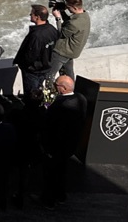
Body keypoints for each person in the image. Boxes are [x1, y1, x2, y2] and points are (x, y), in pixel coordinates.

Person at [41, 75, 87, 209]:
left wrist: (48, 148)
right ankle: (61, 196)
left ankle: (49, 200)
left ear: (64, 88)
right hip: (70, 145)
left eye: (57, 85)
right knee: (61, 173)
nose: (55, 87)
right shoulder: (81, 99)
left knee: (51, 175)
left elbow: (51, 127)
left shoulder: (60, 106)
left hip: (56, 147)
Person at [14, 4, 59, 95]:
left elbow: (31, 55)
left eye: (31, 14)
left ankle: (32, 108)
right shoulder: (52, 29)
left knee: (32, 94)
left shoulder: (36, 35)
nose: (30, 15)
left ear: (37, 17)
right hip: (45, 67)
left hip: (33, 70)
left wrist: (24, 64)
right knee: (39, 91)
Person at [49, 0, 91, 80]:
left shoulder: (74, 23)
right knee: (68, 76)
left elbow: (62, 33)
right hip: (71, 52)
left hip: (62, 52)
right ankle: (70, 91)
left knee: (49, 75)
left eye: (68, 7)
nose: (68, 9)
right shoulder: (85, 16)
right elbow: (69, 22)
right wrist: (63, 11)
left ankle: (49, 91)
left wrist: (58, 18)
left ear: (74, 8)